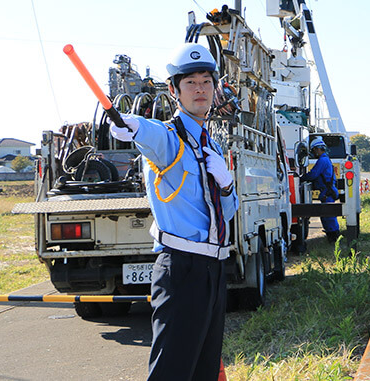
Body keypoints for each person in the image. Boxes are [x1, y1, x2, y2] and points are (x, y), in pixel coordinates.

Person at [110, 42, 239, 381]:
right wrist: (129, 126)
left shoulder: (211, 145)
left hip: (214, 268)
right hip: (181, 268)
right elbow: (143, 130)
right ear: (174, 90)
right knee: (173, 371)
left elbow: (230, 210)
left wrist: (225, 184)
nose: (200, 89)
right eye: (191, 83)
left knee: (204, 370)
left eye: (206, 82)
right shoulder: (169, 138)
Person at [300, 137, 340, 243]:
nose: (313, 153)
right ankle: (332, 237)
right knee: (326, 216)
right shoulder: (325, 159)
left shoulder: (322, 160)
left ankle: (334, 238)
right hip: (327, 191)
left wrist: (302, 178)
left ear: (318, 149)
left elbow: (314, 174)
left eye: (313, 150)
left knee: (329, 216)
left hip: (327, 191)